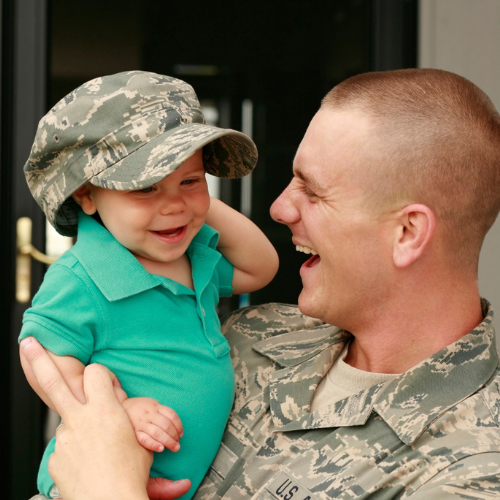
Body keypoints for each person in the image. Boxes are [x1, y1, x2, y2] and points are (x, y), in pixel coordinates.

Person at [22, 68, 500, 500]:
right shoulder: (251, 337)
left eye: (311, 191)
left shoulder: (472, 468)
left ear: (407, 232)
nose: (278, 209)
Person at [18, 71, 279, 500]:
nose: (173, 203)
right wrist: (116, 415)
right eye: (145, 188)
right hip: (91, 482)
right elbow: (43, 359)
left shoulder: (190, 255)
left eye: (191, 181)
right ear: (86, 195)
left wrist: (198, 210)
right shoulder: (82, 277)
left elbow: (260, 268)